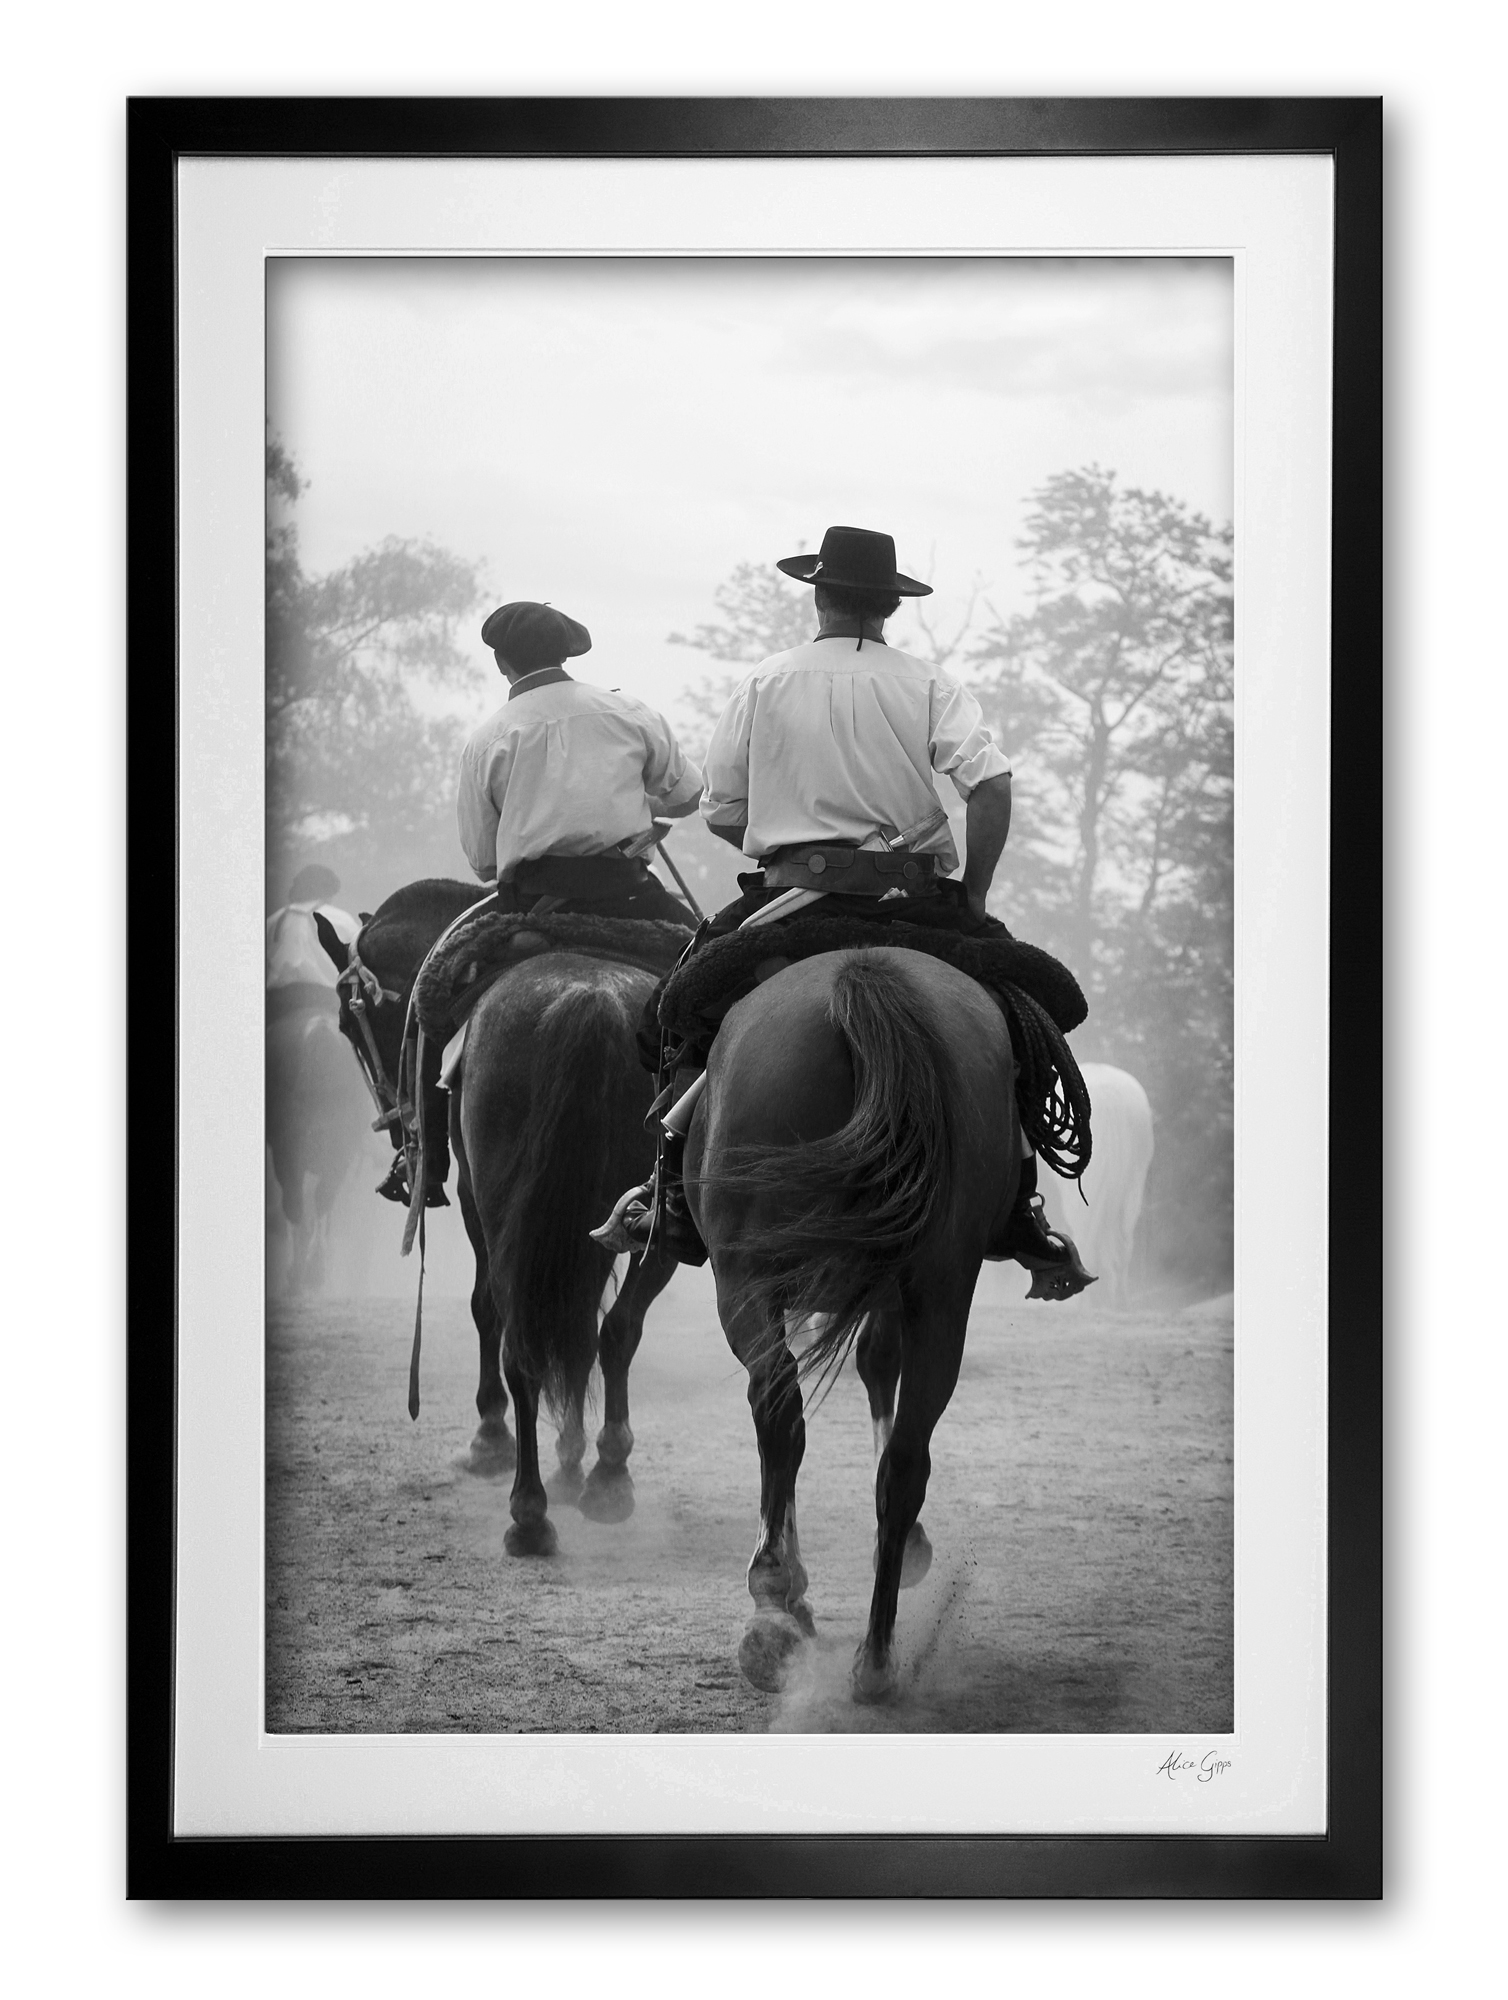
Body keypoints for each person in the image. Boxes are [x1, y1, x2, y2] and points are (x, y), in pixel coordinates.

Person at [595, 524, 1092, 1297]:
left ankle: (670, 1191)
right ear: (890, 608)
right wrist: (978, 893)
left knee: (676, 1014)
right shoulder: (930, 683)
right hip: (917, 906)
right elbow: (991, 786)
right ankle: (1021, 1204)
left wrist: (785, 833)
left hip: (790, 906)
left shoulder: (763, 682)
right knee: (1024, 1017)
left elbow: (725, 812)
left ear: (819, 596)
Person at [457, 599, 702, 922]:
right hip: (628, 893)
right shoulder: (629, 712)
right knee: (712, 959)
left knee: (448, 967)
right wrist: (640, 805)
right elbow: (690, 796)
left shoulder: (484, 744)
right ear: (563, 655)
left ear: (501, 663)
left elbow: (485, 864)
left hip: (529, 908)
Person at [266, 863, 361, 1011]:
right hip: (329, 1000)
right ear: (328, 892)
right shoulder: (341, 919)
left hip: (279, 1003)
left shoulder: (272, 921)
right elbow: (360, 958)